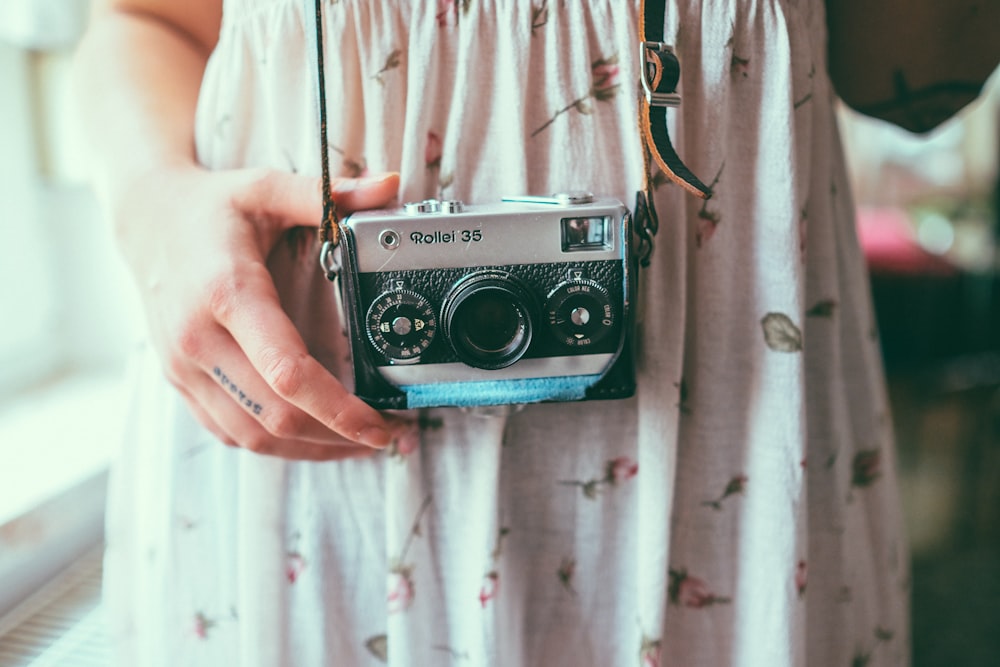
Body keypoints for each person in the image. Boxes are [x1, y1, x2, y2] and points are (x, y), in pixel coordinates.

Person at [73, 0, 997, 665]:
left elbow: (917, 80)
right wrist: (156, 205)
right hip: (297, 414)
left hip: (723, 441)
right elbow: (141, 18)